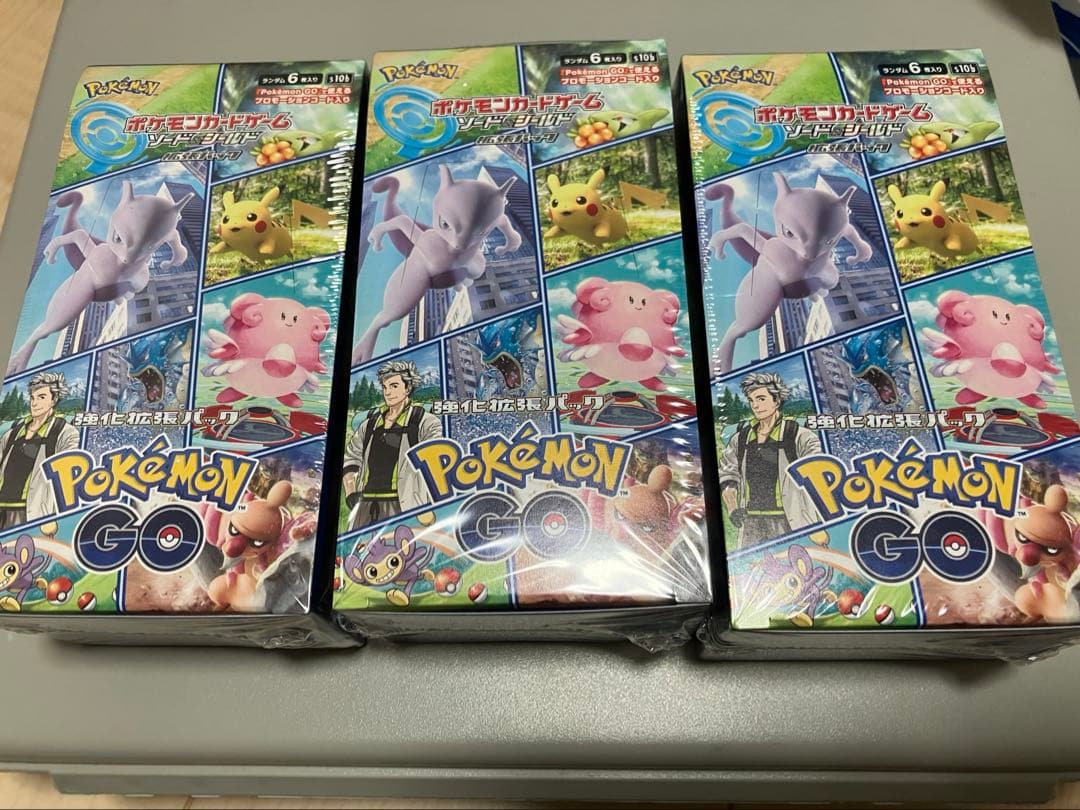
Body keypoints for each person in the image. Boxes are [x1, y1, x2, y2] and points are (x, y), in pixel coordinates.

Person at [717, 371, 821, 548]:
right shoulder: (740, 439)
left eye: (761, 399)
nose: (755, 405)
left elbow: (819, 473)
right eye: (751, 400)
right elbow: (728, 475)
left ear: (777, 401)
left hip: (788, 521)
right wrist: (733, 508)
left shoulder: (799, 436)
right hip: (750, 523)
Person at [342, 360, 441, 530]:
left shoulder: (424, 422)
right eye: (385, 387)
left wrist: (426, 505)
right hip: (364, 506)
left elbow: (436, 460)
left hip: (402, 505)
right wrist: (351, 493)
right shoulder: (370, 424)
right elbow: (351, 458)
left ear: (408, 388)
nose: (388, 392)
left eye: (394, 386)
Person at [0, 371, 79, 530]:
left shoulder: (65, 432)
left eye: (42, 397)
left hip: (28, 513)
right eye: (32, 398)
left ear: (54, 400)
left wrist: (53, 516)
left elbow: (69, 477)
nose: (34, 403)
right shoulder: (13, 432)